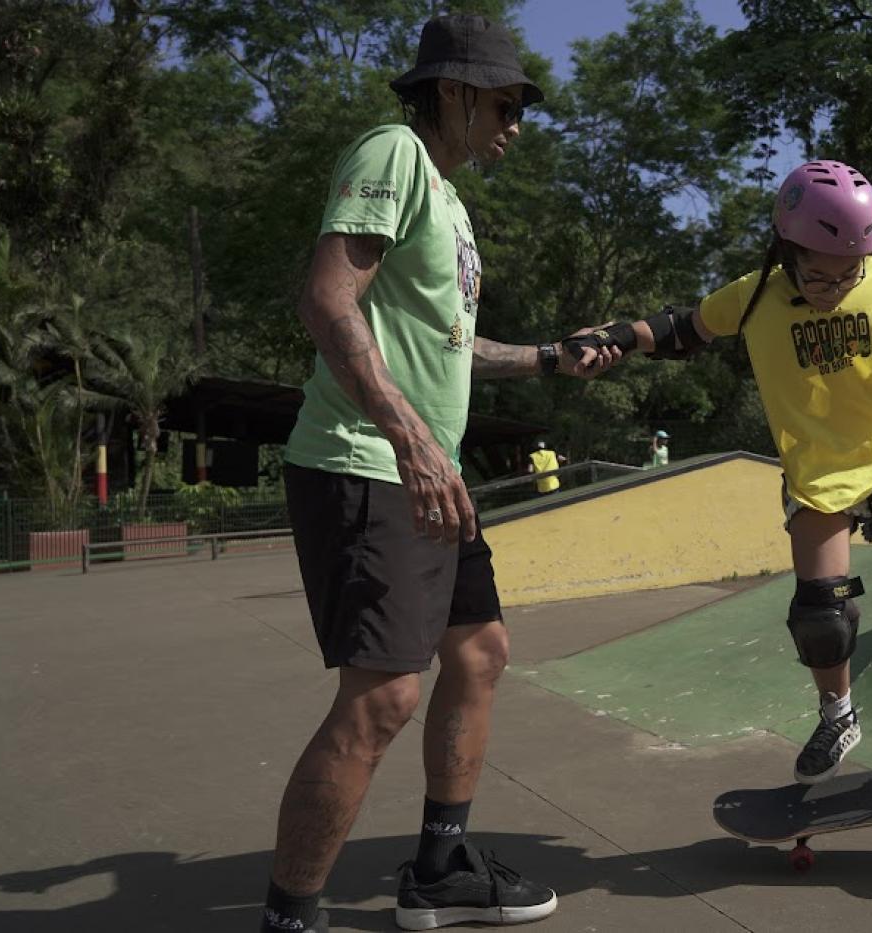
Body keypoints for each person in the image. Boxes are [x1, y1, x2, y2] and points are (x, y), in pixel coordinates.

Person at [558, 161, 872, 807]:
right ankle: (838, 717)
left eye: (848, 273)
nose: (834, 287)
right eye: (818, 275)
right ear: (787, 251)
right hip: (817, 471)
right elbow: (677, 329)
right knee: (822, 617)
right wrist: (609, 336)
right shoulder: (755, 295)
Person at [264, 15, 622, 933]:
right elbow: (326, 297)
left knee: (479, 652)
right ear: (454, 93)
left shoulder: (451, 205)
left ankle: (440, 866)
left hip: (431, 475)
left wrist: (547, 357)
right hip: (369, 462)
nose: (515, 123)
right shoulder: (393, 153)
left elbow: (448, 350)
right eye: (504, 103)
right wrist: (412, 441)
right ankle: (292, 915)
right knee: (384, 693)